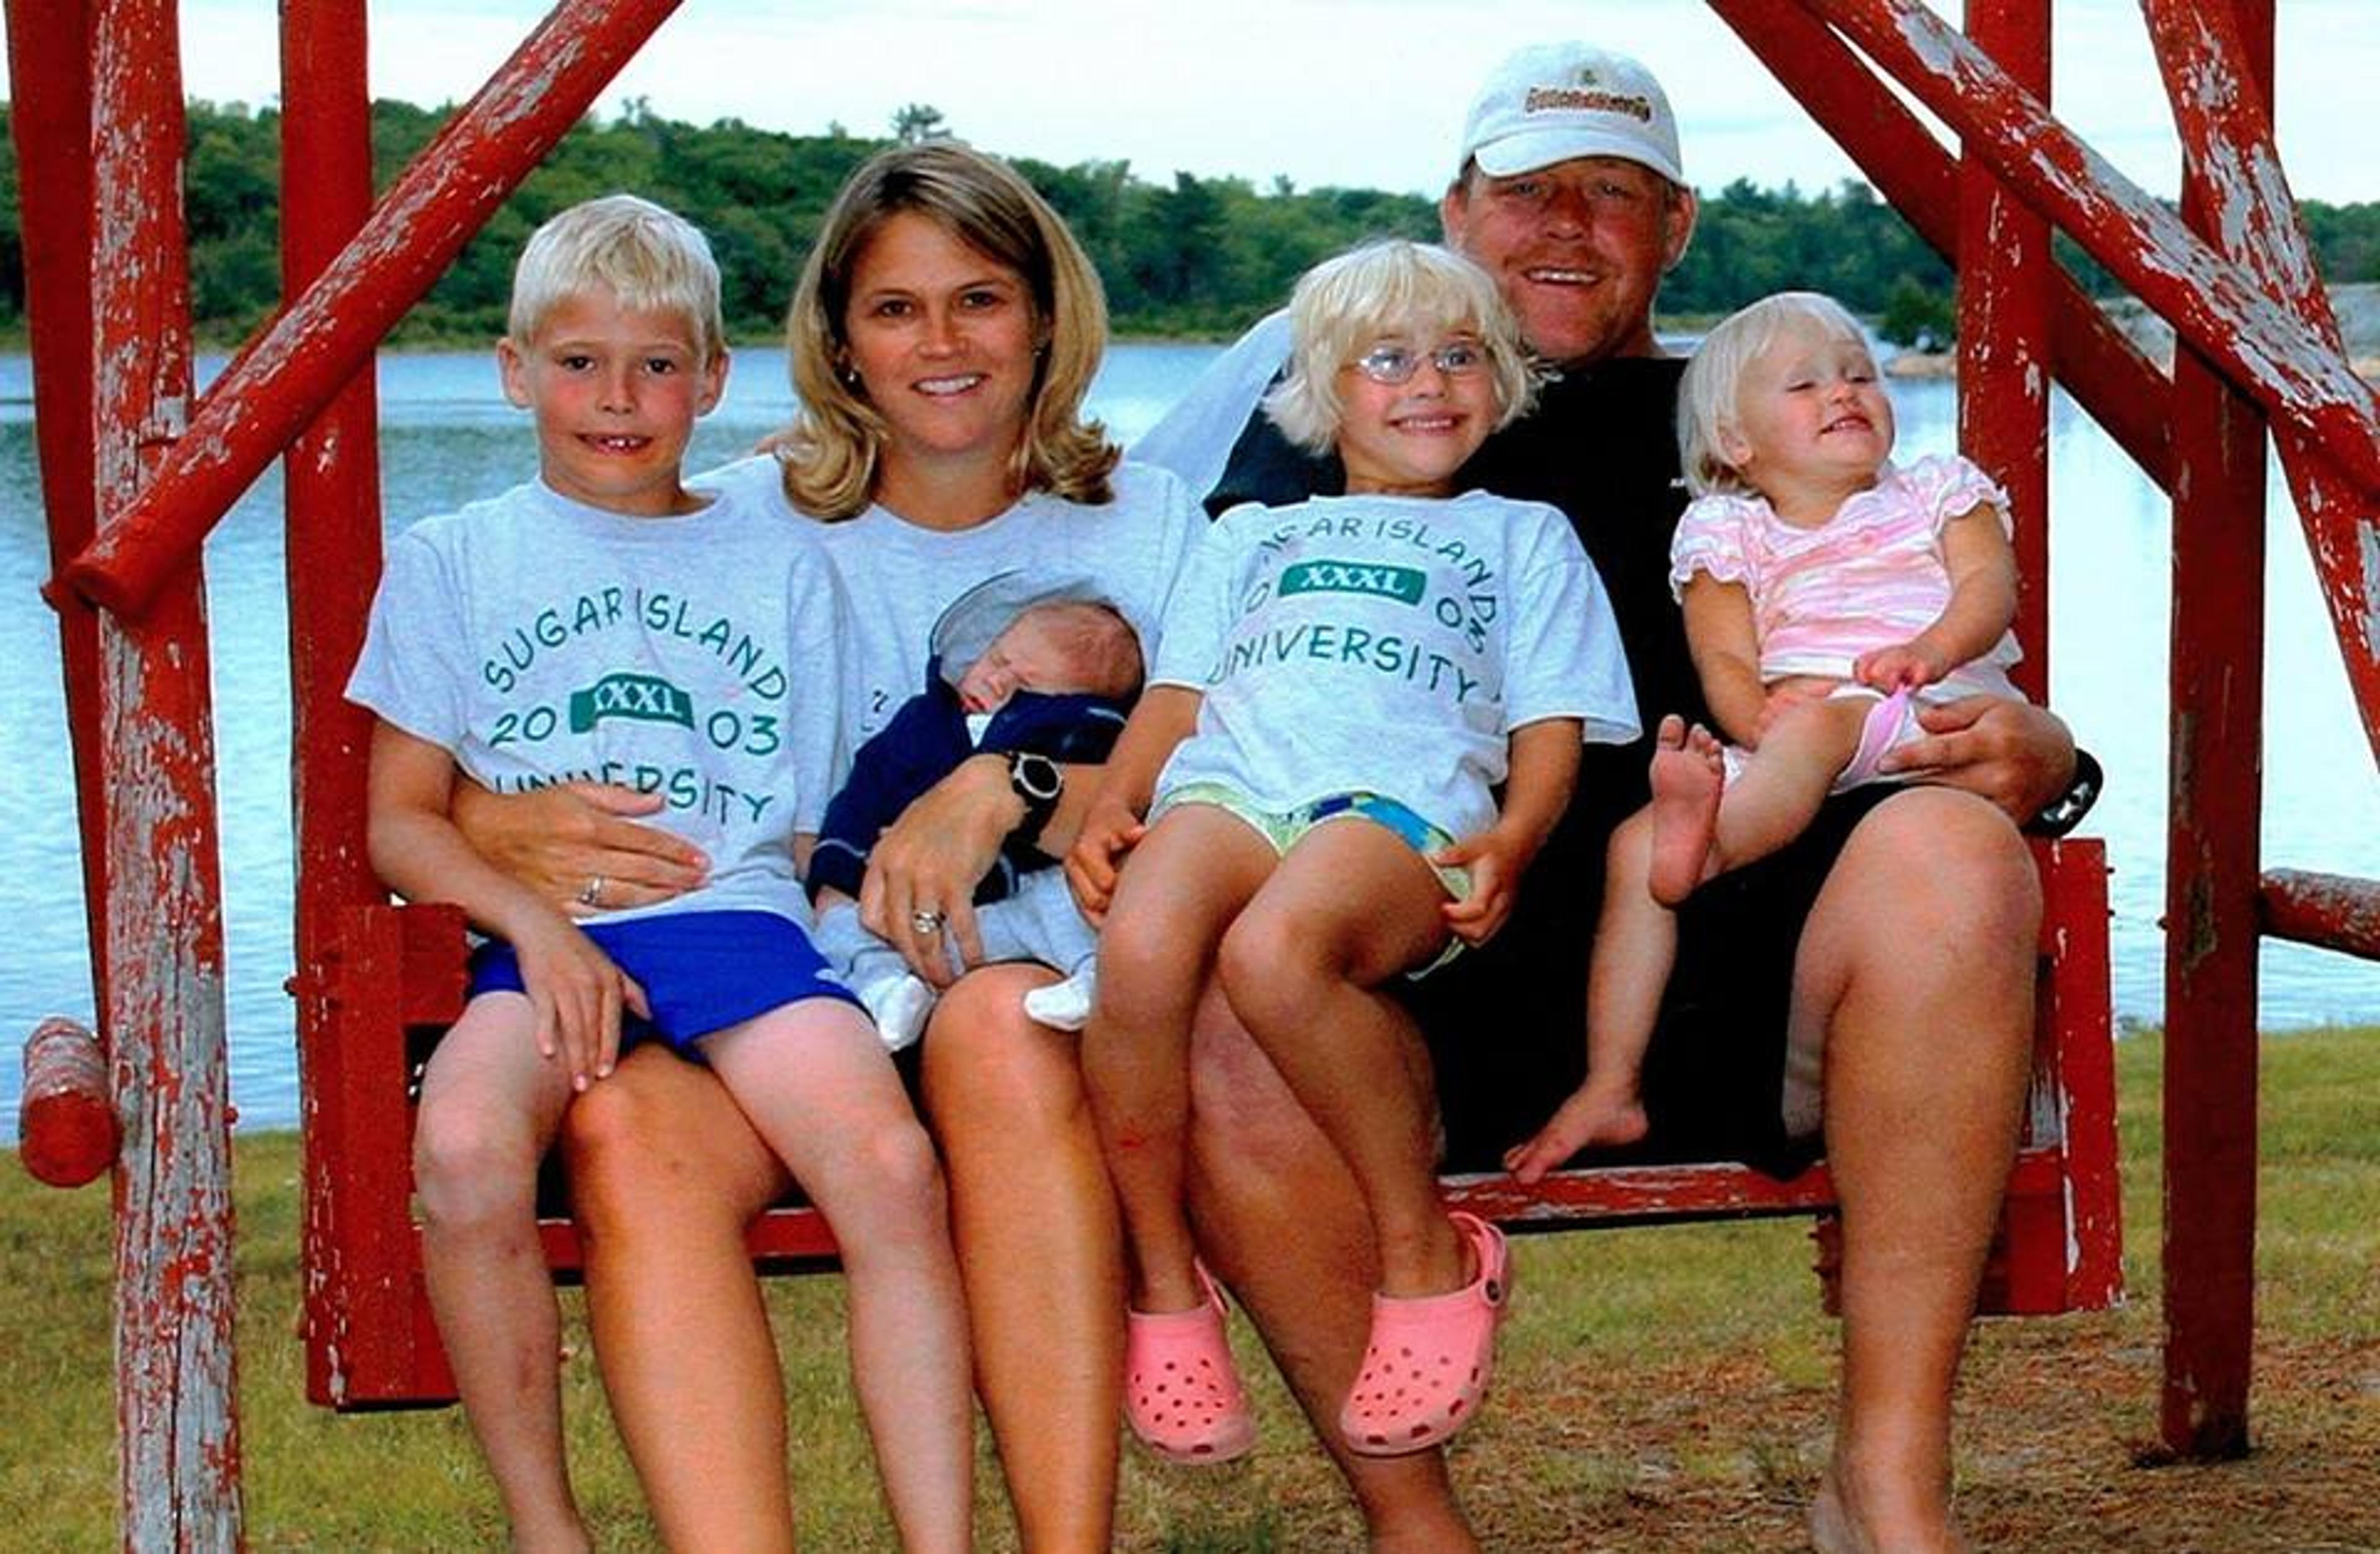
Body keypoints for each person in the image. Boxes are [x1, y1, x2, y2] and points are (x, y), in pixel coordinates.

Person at [1132, 41, 2082, 1552]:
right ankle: (1413, 1523)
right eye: (1525, 190)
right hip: (1407, 924)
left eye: (1612, 193)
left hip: (1721, 935)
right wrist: (1020, 768)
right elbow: (1107, 604)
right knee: (1221, 1000)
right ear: (1454, 208)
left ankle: (1885, 1483)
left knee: (1956, 857)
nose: (1565, 223)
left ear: (1679, 227)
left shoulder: (1743, 410)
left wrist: (2036, 744)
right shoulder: (1310, 391)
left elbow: (1915, 625)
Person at [451, 144, 1202, 1550]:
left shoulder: (1146, 520)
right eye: (894, 308)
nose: (940, 343)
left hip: (1033, 987)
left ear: (1045, 317)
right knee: (624, 1126)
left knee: (992, 1025)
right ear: (839, 339)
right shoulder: (724, 513)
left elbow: (1217, 752)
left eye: (977, 299)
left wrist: (1012, 782)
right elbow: (513, 675)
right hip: (779, 991)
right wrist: (489, 819)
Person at [346, 194, 972, 1552]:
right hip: (545, 943)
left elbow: (812, 810)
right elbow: (400, 821)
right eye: (578, 363)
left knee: (887, 1166)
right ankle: (545, 1525)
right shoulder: (457, 560)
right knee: (459, 1150)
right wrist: (534, 924)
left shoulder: (782, 558)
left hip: (737, 926)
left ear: (711, 379)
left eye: (656, 364)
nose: (617, 398)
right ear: (514, 372)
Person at [1068, 239, 1638, 1466]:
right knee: (1144, 951)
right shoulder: (1250, 538)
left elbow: (1553, 721)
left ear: (1501, 381)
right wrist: (1117, 804)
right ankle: (1165, 1281)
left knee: (1277, 955)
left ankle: (1419, 1247)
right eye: (1386, 359)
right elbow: (1176, 701)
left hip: (1395, 809)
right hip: (1230, 791)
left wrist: (1517, 839)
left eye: (1460, 355)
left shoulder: (1520, 536)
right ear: (1324, 391)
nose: (1427, 381)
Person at [1509, 289, 2025, 1172]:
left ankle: (1710, 849)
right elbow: (1726, 663)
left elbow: (1988, 589)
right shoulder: (1726, 530)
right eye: (1806, 385)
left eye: (1859, 373)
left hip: (1929, 709)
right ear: (1735, 445)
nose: (1844, 393)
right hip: (1796, 733)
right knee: (1636, 850)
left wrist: (1929, 650)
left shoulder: (1938, 490)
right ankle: (1612, 1084)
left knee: (1809, 737)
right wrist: (1753, 718)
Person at [808, 582, 1145, 1046]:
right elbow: (867, 786)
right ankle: (885, 990)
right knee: (841, 923)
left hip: (1006, 910)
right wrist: (845, 863)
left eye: (1024, 687)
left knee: (1067, 899)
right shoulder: (923, 724)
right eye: (996, 660)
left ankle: (1090, 973)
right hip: (893, 901)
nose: (993, 681)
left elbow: (1098, 808)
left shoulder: (1076, 734)